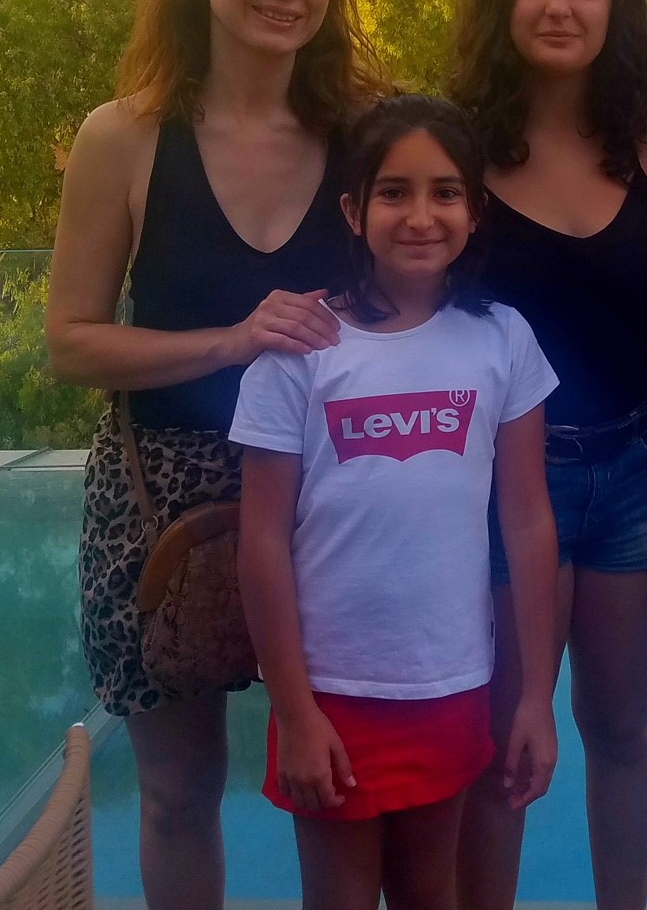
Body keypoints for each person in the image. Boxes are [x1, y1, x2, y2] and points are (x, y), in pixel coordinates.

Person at [46, 0, 387, 910]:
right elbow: (72, 343)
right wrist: (234, 340)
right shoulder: (125, 138)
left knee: (347, 778)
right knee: (179, 792)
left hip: (328, 491)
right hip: (161, 499)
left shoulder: (364, 138)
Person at [449, 0, 647, 910]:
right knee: (501, 744)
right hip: (506, 484)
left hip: (636, 478)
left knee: (621, 729)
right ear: (501, 2)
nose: (557, 5)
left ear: (615, 6)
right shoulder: (459, 151)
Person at [233, 96, 561, 910]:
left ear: (475, 211)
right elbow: (262, 540)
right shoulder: (302, 351)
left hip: (450, 684)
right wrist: (294, 711)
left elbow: (527, 522)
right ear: (354, 211)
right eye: (394, 192)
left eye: (445, 192)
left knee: (429, 891)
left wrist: (534, 696)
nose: (421, 216)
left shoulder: (503, 339)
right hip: (331, 694)